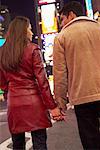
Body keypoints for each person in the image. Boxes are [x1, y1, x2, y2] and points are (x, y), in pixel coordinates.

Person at [0, 16, 63, 150]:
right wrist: (52, 107)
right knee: (39, 141)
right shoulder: (32, 49)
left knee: (17, 143)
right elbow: (42, 82)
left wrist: (9, 93)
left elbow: (2, 82)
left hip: (14, 102)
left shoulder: (2, 52)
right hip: (34, 102)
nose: (32, 32)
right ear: (23, 31)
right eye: (30, 29)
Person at [53, 1, 100, 150]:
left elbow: (60, 74)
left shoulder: (62, 37)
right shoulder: (98, 28)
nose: (62, 23)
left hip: (82, 97)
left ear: (71, 14)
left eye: (62, 18)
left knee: (90, 140)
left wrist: (60, 103)